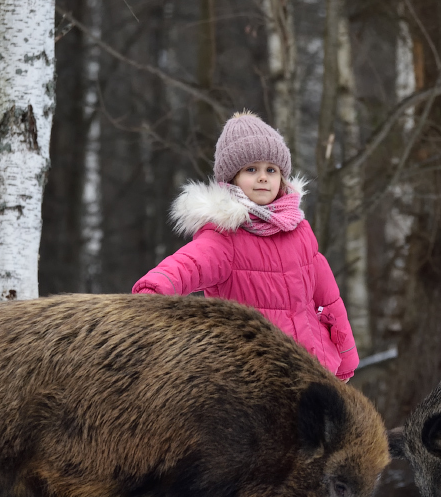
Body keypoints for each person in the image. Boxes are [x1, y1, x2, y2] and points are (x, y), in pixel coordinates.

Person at [132, 111, 359, 381]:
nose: (263, 177)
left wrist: (346, 359)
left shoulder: (299, 231)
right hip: (254, 376)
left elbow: (329, 301)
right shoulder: (224, 236)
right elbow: (187, 265)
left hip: (315, 369)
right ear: (232, 179)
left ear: (281, 177)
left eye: (271, 170)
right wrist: (151, 294)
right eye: (251, 170)